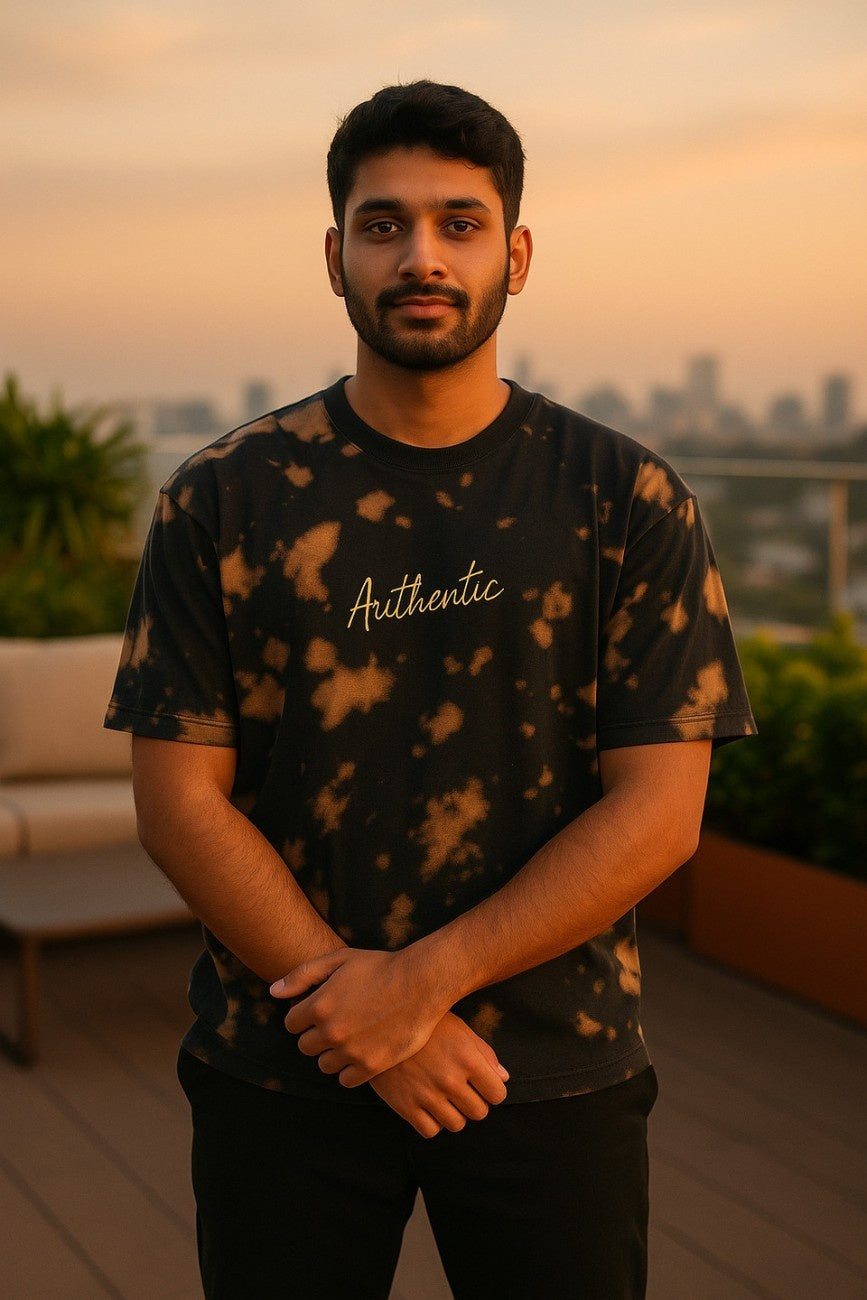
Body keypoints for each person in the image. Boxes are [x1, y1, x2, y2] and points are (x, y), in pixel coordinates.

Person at [106, 80, 755, 1299]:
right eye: (383, 223)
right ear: (335, 256)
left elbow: (660, 811)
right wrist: (365, 1023)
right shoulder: (222, 496)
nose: (421, 255)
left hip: (553, 1068)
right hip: (282, 1068)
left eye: (459, 224)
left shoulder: (628, 498)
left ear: (515, 254)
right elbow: (179, 802)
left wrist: (414, 988)